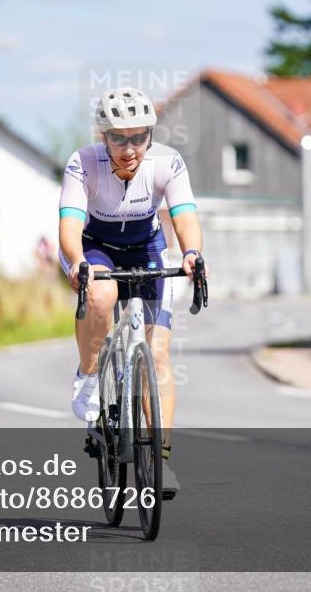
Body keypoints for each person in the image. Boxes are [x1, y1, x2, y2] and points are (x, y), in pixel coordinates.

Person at [58, 87, 206, 499]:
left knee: (157, 354)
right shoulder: (82, 163)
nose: (129, 148)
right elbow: (69, 225)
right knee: (103, 297)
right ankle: (89, 375)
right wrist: (78, 262)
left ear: (150, 136)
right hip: (94, 247)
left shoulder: (166, 163)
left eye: (139, 137)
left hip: (146, 247)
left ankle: (161, 460)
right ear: (103, 136)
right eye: (119, 138)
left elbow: (185, 216)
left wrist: (192, 253)